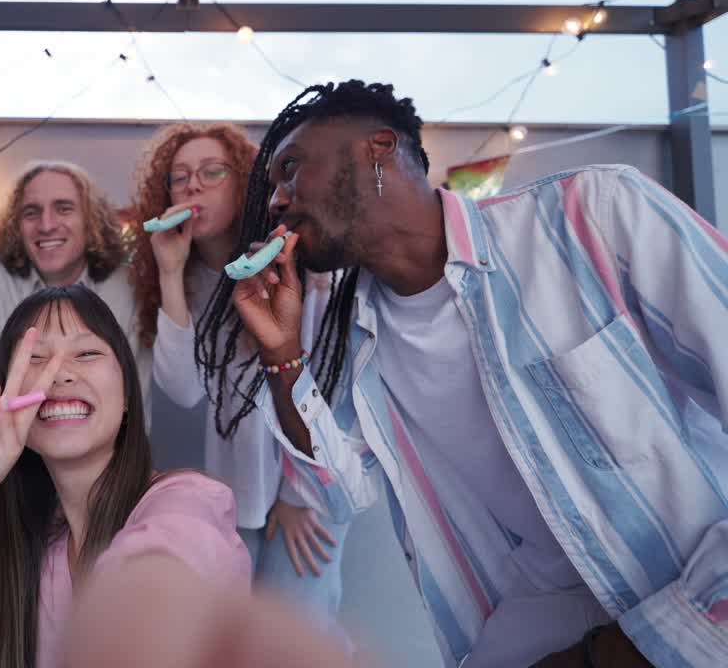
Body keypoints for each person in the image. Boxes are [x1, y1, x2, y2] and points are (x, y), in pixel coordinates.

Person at [203, 79, 728, 667]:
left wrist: (630, 649)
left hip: (695, 605)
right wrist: (280, 353)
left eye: (291, 167)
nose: (276, 199)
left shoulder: (592, 216)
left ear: (377, 147)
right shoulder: (354, 335)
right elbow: (342, 486)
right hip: (532, 627)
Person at [0, 285, 249, 667]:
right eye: (36, 360)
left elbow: (163, 581)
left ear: (128, 393)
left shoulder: (186, 499)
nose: (59, 375)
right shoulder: (26, 562)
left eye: (87, 352)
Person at [128, 123, 349, 619]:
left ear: (245, 182)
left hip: (309, 487)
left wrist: (298, 493)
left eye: (212, 172)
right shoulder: (185, 277)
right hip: (239, 490)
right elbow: (184, 391)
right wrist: (168, 271)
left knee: (297, 635)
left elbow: (328, 388)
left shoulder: (295, 265)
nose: (192, 186)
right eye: (179, 177)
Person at [0, 160, 151, 416]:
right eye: (31, 212)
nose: (46, 225)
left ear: (90, 222)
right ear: (17, 225)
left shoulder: (125, 284)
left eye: (64, 209)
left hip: (100, 450)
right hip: (6, 447)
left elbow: (129, 406)